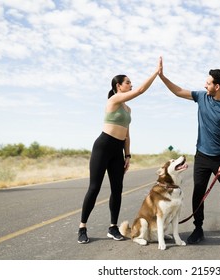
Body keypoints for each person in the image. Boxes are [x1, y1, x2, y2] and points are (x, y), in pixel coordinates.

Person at [158, 58, 220, 247]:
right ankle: (198, 229)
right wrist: (162, 76)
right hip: (202, 156)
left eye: (208, 83)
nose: (204, 85)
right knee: (198, 194)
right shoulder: (202, 97)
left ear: (217, 86)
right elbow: (178, 91)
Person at [78, 58, 161, 244]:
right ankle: (82, 227)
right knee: (94, 188)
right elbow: (140, 90)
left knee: (117, 190)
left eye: (131, 82)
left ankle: (113, 227)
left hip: (117, 150)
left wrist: (128, 155)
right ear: (118, 86)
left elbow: (127, 135)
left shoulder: (128, 109)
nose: (131, 84)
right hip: (103, 146)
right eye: (128, 82)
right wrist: (156, 73)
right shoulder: (113, 100)